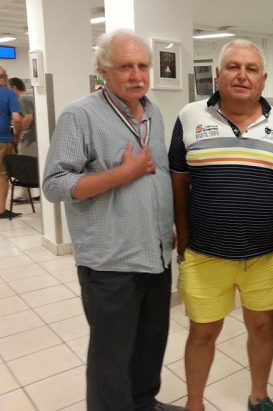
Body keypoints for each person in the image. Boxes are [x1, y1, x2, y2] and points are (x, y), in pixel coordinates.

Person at [43, 29, 183, 411]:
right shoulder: (80, 115)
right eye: (125, 67)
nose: (137, 75)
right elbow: (54, 185)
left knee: (150, 345)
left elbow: (158, 175)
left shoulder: (152, 112)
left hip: (155, 253)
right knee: (111, 359)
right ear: (103, 71)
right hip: (110, 263)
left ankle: (144, 403)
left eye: (143, 66)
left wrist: (166, 224)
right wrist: (123, 173)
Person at [169, 39, 273, 411]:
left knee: (262, 328)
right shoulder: (189, 116)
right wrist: (183, 233)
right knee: (203, 332)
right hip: (206, 251)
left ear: (263, 79)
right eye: (233, 67)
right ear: (218, 74)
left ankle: (259, 396)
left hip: (265, 252)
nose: (242, 75)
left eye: (251, 69)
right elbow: (178, 181)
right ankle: (194, 404)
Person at [8, 77, 39, 202]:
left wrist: (19, 133)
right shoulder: (31, 98)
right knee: (35, 165)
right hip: (34, 137)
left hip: (29, 138)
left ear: (14, 87)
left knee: (25, 166)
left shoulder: (23, 99)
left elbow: (28, 117)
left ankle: (25, 195)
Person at [0, 66, 22, 219]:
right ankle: (1, 210)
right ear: (3, 78)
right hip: (2, 140)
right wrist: (17, 135)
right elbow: (17, 118)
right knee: (2, 176)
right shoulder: (8, 93)